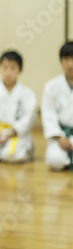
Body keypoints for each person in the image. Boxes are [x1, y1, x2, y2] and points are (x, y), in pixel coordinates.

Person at [42, 41, 73, 171]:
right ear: (61, 61)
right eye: (66, 59)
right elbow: (48, 114)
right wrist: (60, 137)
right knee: (55, 160)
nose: (70, 64)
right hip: (59, 134)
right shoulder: (51, 86)